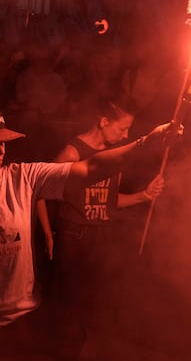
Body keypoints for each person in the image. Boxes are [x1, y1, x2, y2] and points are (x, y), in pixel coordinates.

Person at [0, 99, 175, 360]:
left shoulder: (23, 177)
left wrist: (144, 142)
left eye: (3, 142)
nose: (1, 150)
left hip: (20, 326)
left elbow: (91, 167)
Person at [36, 96, 166, 360]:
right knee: (69, 309)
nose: (126, 134)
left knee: (87, 308)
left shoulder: (114, 155)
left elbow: (107, 199)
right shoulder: (73, 153)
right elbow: (38, 189)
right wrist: (47, 233)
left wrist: (143, 196)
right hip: (75, 236)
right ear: (104, 121)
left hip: (101, 235)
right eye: (122, 129)